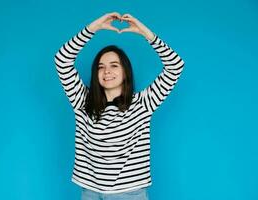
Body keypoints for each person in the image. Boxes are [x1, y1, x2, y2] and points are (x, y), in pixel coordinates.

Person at [54, 12, 185, 200]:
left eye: (114, 65)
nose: (107, 71)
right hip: (90, 192)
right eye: (101, 67)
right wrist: (94, 28)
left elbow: (175, 66)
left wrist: (146, 34)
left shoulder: (143, 103)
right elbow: (62, 59)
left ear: (125, 71)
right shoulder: (82, 101)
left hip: (130, 194)